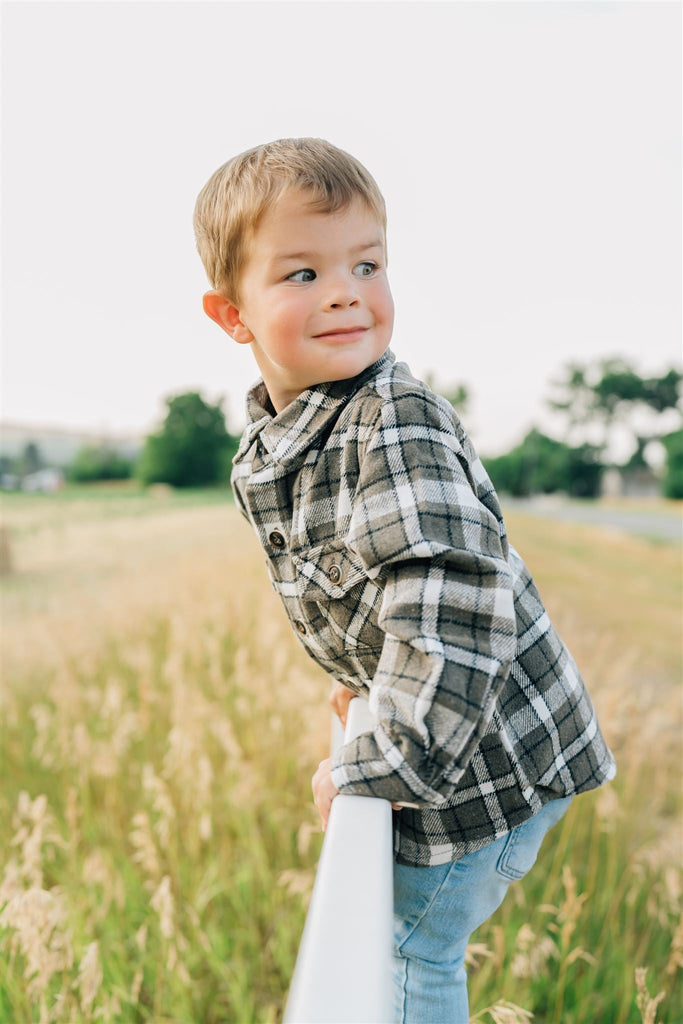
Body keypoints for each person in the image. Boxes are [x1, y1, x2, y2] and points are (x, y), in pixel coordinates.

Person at [194, 137, 616, 1024]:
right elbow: (359, 594)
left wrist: (377, 761)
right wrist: (362, 692)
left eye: (367, 262)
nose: (346, 289)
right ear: (231, 316)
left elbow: (447, 606)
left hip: (492, 759)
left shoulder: (394, 421)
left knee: (407, 950)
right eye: (302, 274)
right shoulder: (276, 445)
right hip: (441, 740)